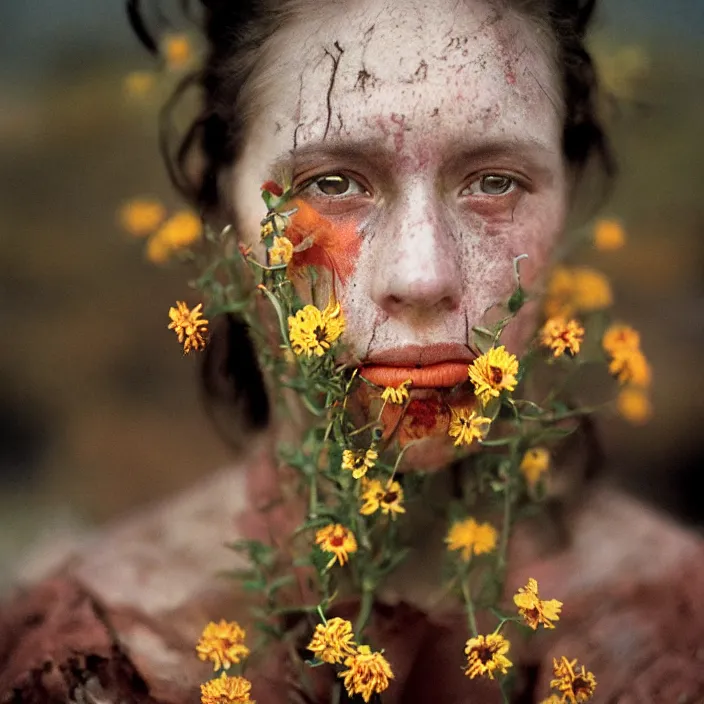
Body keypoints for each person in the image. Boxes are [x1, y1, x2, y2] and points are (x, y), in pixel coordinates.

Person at [2, 1, 704, 702]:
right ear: (223, 204)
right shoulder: (100, 661)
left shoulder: (678, 633)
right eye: (333, 183)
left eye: (495, 182)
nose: (422, 277)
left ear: (569, 199)